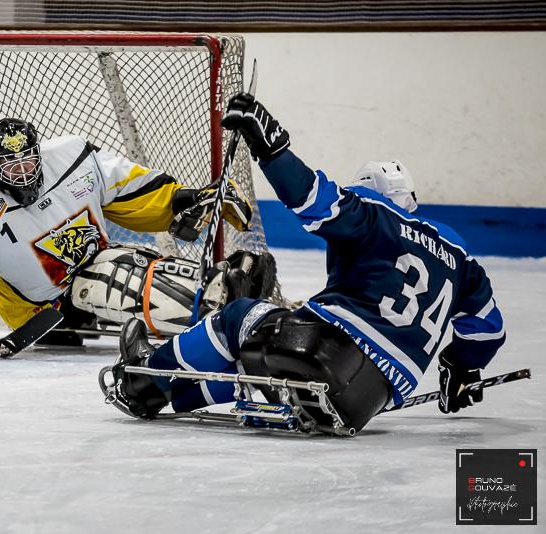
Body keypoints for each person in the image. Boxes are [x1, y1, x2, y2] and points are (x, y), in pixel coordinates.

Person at [109, 93, 506, 433]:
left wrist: (271, 147)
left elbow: (310, 196)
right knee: (257, 356)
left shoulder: (374, 216)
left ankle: (143, 380)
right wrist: (461, 368)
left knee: (238, 317)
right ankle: (168, 391)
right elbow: (488, 332)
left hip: (330, 351)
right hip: (370, 398)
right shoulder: (461, 260)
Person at [0, 118, 275, 348]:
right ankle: (220, 312)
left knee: (134, 261)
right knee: (112, 277)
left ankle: (221, 284)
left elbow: (127, 187)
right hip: (39, 308)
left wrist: (183, 198)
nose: (23, 173)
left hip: (94, 260)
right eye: (11, 166)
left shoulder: (72, 157)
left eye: (28, 159)